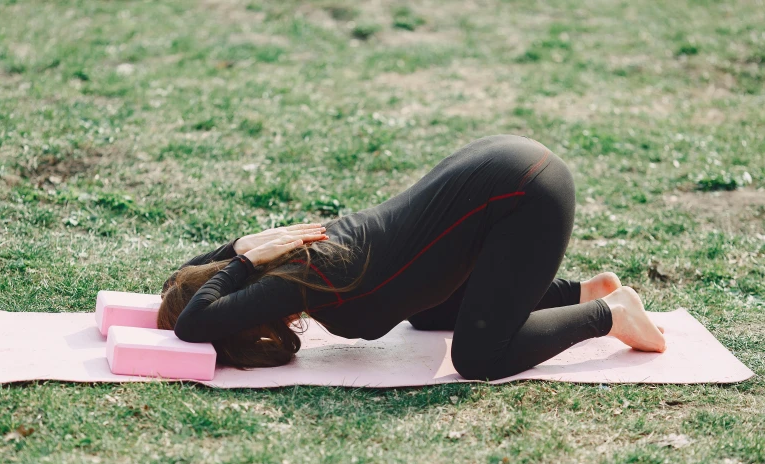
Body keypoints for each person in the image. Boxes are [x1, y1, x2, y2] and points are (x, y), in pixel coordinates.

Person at [158, 135, 666, 381]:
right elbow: (188, 283)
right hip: (501, 167)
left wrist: (242, 261)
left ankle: (612, 312)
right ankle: (583, 292)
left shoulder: (293, 280)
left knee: (479, 357)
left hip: (523, 193)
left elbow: (194, 323)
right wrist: (241, 248)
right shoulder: (293, 263)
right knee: (428, 312)